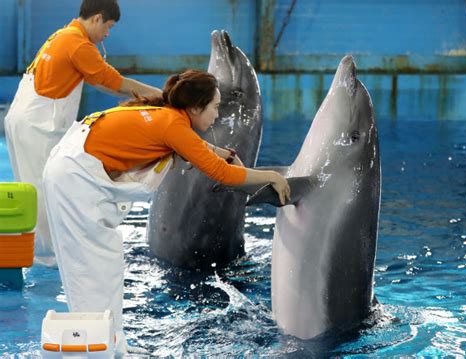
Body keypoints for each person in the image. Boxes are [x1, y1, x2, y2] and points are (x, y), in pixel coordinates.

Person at [42, 69, 290, 354]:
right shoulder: (171, 125)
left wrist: (216, 151)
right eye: (215, 106)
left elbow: (193, 146)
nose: (217, 114)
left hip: (71, 169)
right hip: (73, 179)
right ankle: (97, 350)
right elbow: (222, 174)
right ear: (196, 107)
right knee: (90, 270)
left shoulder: (166, 114)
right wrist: (272, 176)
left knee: (104, 266)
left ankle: (112, 346)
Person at [4, 0, 162, 267]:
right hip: (38, 126)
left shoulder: (64, 34)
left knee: (38, 185)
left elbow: (101, 81)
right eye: (108, 27)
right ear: (97, 18)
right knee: (45, 188)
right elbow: (115, 84)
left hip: (27, 119)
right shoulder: (78, 44)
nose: (108, 34)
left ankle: (45, 248)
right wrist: (160, 95)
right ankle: (50, 255)